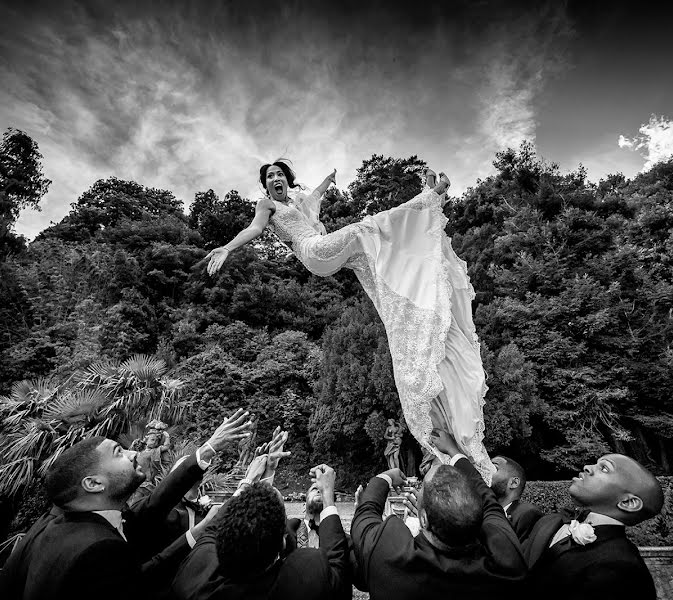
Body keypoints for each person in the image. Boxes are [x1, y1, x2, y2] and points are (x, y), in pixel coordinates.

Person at [204, 161, 494, 482]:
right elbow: (255, 229)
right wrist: (227, 248)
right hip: (313, 251)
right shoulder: (267, 205)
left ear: (287, 181)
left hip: (332, 255)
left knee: (383, 262)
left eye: (280, 175)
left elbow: (314, 195)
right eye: (270, 177)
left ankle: (425, 213)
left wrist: (328, 180)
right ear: (266, 185)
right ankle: (427, 199)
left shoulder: (298, 203)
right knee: (363, 228)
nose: (276, 179)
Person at [0, 409, 253, 600]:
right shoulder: (98, 550)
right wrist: (198, 535)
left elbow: (149, 508)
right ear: (93, 484)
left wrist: (207, 450)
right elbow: (142, 580)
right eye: (119, 452)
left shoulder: (67, 519)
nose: (134, 452)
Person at [168, 431, 351, 600]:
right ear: (283, 543)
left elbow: (214, 526)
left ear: (223, 541)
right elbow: (335, 565)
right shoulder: (301, 584)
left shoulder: (190, 582)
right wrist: (328, 494)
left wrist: (252, 479)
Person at [350, 429, 526, 600]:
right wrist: (454, 451)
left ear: (424, 519)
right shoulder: (508, 564)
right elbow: (489, 501)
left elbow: (366, 513)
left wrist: (386, 477)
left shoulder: (388, 556)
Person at [521, 454, 664, 600]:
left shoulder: (620, 567)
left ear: (628, 503)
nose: (587, 467)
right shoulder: (557, 523)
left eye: (604, 468)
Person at [490, 455, 542, 540]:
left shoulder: (528, 515)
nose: (485, 472)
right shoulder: (479, 511)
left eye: (494, 468)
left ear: (513, 482)